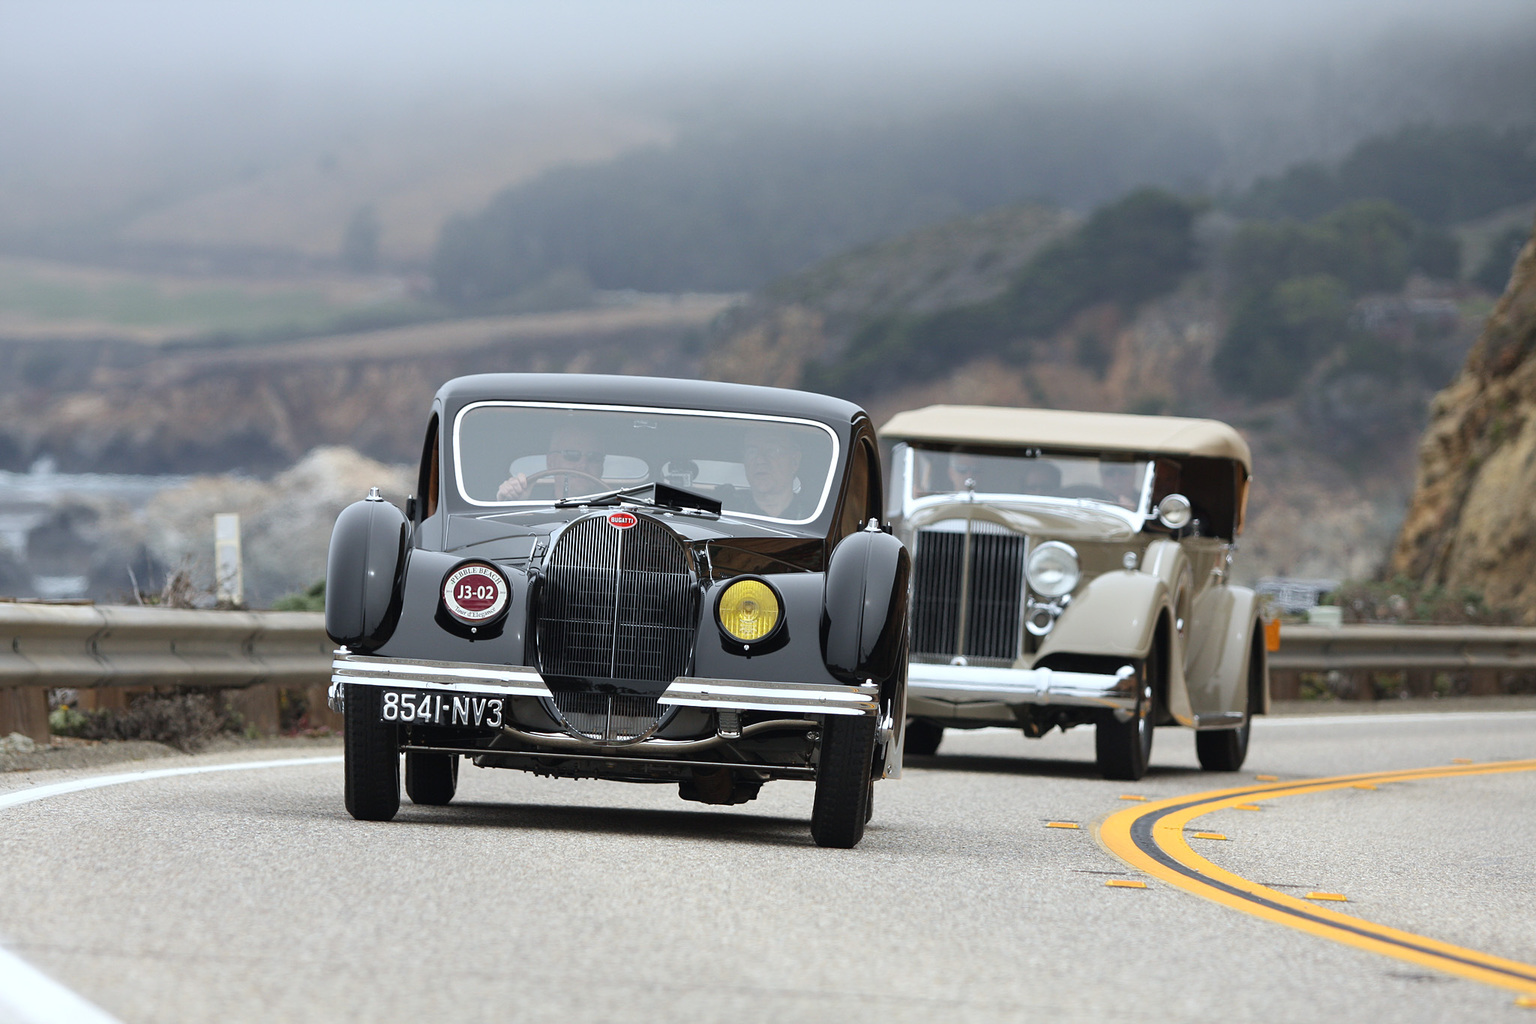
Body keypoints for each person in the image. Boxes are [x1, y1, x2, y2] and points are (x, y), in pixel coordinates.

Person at [497, 423, 606, 500]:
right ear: (551, 462)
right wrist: (513, 501)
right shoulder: (533, 511)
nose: (583, 465)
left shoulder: (618, 513)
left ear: (601, 467)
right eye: (572, 455)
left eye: (594, 457)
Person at [741, 426, 808, 518]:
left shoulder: (817, 519)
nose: (760, 460)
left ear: (794, 461)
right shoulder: (724, 513)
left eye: (772, 450)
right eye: (752, 452)